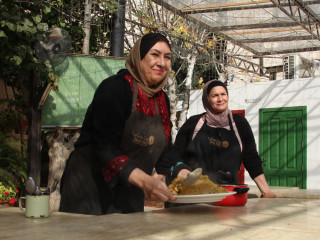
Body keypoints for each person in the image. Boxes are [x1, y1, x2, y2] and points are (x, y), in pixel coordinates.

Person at [59, 33, 178, 215]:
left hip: (130, 193)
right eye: (155, 54)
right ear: (139, 57)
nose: (162, 63)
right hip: (89, 191)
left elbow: (166, 146)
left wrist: (171, 172)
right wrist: (145, 181)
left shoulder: (162, 99)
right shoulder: (115, 89)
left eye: (167, 57)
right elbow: (106, 147)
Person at [169, 80, 276, 198]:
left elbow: (251, 159)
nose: (220, 99)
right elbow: (174, 155)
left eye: (223, 94)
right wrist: (181, 171)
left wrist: (266, 192)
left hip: (228, 192)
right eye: (215, 95)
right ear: (207, 99)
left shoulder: (240, 124)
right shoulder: (193, 123)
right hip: (193, 193)